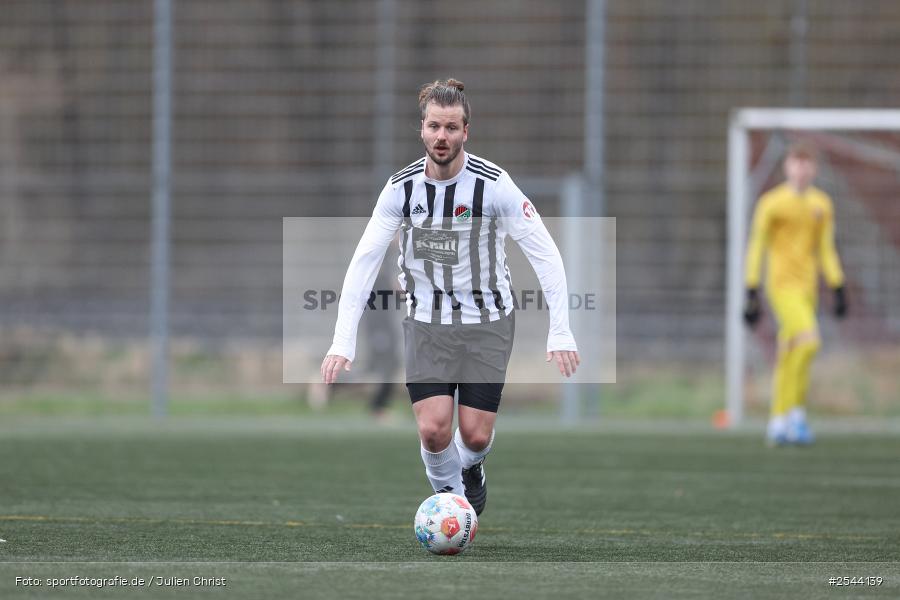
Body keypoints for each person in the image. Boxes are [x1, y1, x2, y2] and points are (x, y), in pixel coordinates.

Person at [321, 78, 579, 514]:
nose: (442, 137)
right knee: (434, 430)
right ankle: (450, 502)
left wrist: (562, 330)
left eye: (452, 128)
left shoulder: (494, 185)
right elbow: (364, 260)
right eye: (434, 127)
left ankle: (471, 467)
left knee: (474, 436)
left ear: (466, 132)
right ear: (421, 129)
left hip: (488, 322)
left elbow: (545, 253)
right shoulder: (400, 190)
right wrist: (342, 339)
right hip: (427, 323)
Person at [743, 142, 847, 446]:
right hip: (782, 286)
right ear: (787, 166)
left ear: (813, 169)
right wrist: (751, 288)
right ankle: (793, 416)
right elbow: (757, 246)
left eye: (807, 164)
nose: (801, 170)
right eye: (796, 163)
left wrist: (837, 284)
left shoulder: (821, 205)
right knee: (810, 341)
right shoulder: (771, 204)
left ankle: (781, 420)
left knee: (791, 351)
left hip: (808, 288)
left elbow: (826, 249)